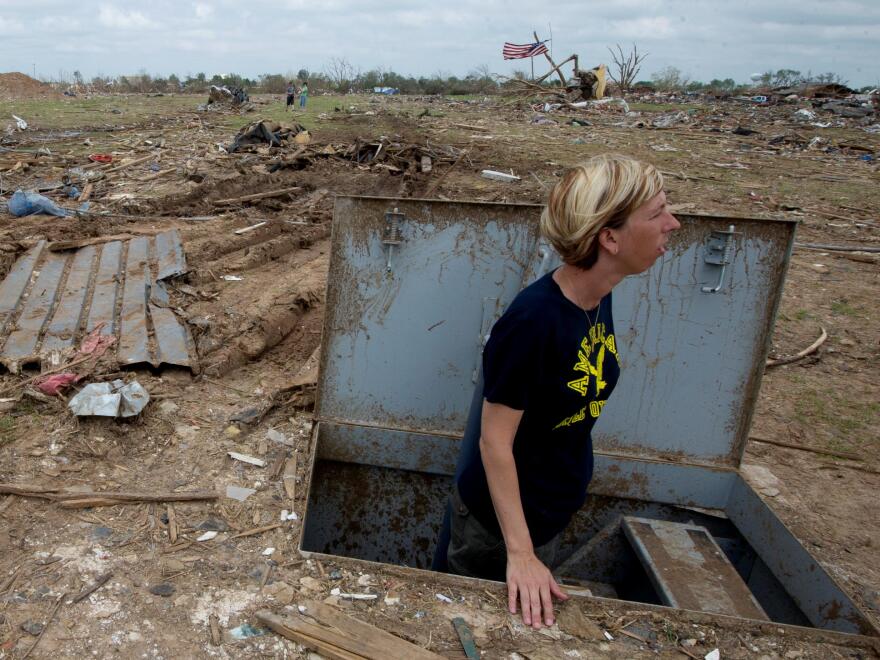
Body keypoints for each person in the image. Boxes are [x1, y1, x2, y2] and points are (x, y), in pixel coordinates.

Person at [441, 153, 680, 630]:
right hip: (498, 533)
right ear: (608, 238)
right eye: (656, 214)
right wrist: (521, 553)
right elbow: (494, 441)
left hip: (546, 516)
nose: (673, 224)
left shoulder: (598, 294)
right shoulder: (533, 322)